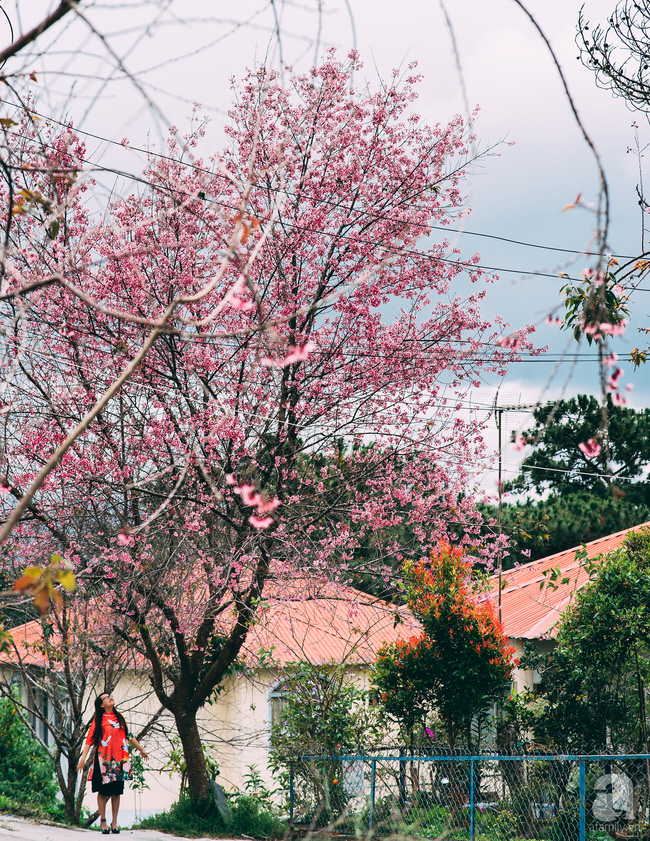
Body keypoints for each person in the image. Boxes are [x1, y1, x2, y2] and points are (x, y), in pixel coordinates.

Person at [77, 692, 149, 835]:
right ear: (102, 705)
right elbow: (89, 740)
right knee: (103, 792)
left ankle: (114, 822)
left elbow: (129, 735)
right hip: (103, 761)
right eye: (106, 697)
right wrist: (83, 759)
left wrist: (141, 749)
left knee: (116, 792)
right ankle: (103, 821)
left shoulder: (119, 718)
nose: (110, 697)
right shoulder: (98, 720)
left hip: (120, 761)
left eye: (110, 696)